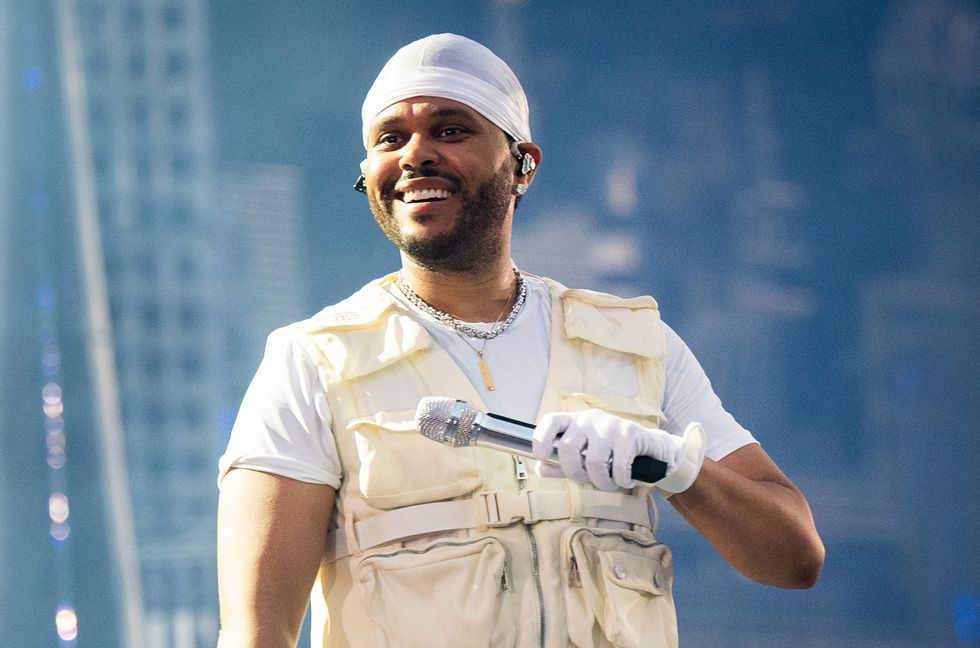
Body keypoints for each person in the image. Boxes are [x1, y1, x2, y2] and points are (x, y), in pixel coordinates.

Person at [216, 33, 824, 648]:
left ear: (523, 165)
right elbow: (257, 632)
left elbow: (795, 557)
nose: (415, 155)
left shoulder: (636, 344)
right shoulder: (313, 362)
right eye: (389, 138)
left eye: (450, 130)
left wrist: (673, 465)